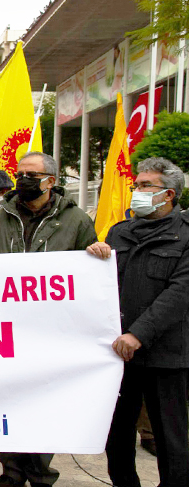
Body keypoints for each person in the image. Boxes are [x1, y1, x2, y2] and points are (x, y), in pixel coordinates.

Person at [0, 152, 97, 487]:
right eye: (20, 173)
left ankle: (39, 473)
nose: (23, 180)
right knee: (8, 401)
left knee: (44, 402)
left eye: (32, 175)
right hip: (6, 329)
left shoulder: (76, 220)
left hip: (53, 330)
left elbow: (88, 273)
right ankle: (10, 472)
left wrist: (98, 254)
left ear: (51, 181)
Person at [86, 157, 189, 487]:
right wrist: (94, 255)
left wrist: (138, 334)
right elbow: (103, 286)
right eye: (137, 185)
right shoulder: (120, 231)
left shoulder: (186, 234)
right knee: (117, 433)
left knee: (169, 437)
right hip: (119, 353)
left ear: (168, 194)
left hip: (165, 355)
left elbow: (180, 293)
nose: (137, 191)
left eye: (146, 186)